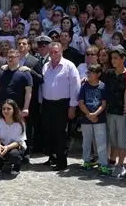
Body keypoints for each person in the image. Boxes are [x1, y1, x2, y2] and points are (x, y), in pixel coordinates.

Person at [40, 42, 81, 171]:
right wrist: (41, 102)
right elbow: (42, 86)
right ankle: (52, 157)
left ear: (61, 51)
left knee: (60, 133)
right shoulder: (46, 66)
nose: (53, 54)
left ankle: (61, 162)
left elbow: (76, 87)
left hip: (62, 104)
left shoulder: (69, 66)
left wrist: (73, 106)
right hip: (47, 104)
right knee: (49, 132)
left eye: (56, 52)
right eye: (51, 52)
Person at [78, 64, 111, 175]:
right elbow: (81, 102)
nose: (89, 75)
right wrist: (88, 114)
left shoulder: (103, 86)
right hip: (86, 118)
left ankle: (103, 164)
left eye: (91, 73)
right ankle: (86, 161)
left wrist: (95, 114)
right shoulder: (84, 86)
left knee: (101, 142)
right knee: (86, 141)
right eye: (88, 72)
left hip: (99, 118)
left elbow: (104, 104)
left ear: (98, 74)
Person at [104, 49, 126, 178]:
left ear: (123, 58)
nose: (113, 60)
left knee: (122, 140)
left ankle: (121, 165)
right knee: (113, 138)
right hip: (110, 110)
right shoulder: (108, 73)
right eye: (112, 58)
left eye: (116, 58)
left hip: (123, 112)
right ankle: (112, 162)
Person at [0, 99, 26, 175]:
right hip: (3, 144)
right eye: (4, 109)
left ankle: (16, 166)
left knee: (14, 155)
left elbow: (19, 141)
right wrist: (0, 146)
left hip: (16, 146)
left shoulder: (20, 123)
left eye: (9, 109)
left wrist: (7, 147)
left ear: (14, 110)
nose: (6, 111)